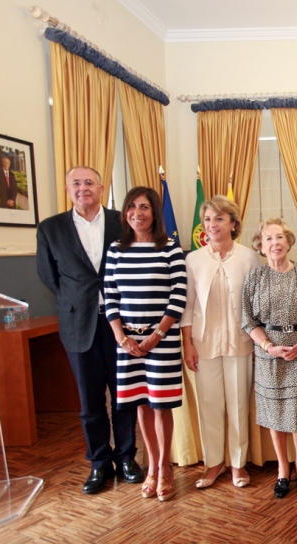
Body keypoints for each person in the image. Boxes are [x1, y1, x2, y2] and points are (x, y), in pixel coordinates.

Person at [36, 166, 144, 495]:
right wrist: (79, 300)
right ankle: (99, 462)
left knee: (123, 395)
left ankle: (126, 457)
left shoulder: (121, 221)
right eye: (76, 183)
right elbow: (49, 277)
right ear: (67, 188)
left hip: (121, 323)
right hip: (79, 323)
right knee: (90, 402)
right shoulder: (50, 228)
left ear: (101, 187)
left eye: (88, 182)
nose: (82, 188)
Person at [104, 186, 186, 502]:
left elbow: (178, 296)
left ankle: (165, 468)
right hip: (127, 343)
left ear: (154, 213)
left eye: (144, 207)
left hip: (161, 341)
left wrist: (157, 335)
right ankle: (151, 466)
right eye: (132, 206)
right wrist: (121, 337)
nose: (137, 213)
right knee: (141, 403)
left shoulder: (170, 248)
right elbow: (110, 296)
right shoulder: (116, 250)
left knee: (161, 405)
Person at [241, 218, 297, 498]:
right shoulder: (254, 278)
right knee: (274, 412)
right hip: (269, 355)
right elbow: (247, 320)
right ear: (260, 246)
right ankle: (282, 468)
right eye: (268, 239)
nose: (275, 243)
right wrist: (269, 347)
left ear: (289, 242)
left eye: (279, 237)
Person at [180, 196, 259, 490]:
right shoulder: (193, 260)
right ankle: (214, 463)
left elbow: (255, 303)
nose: (212, 224)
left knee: (238, 405)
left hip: (241, 342)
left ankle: (238, 463)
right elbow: (188, 305)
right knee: (210, 405)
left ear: (233, 224)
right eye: (208, 219)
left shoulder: (248, 257)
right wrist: (188, 344)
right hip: (204, 344)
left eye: (219, 218)